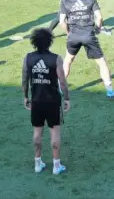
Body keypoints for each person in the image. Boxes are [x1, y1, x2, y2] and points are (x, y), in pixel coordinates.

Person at [59, 0, 114, 98]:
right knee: (102, 63)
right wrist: (98, 29)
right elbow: (100, 18)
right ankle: (110, 91)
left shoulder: (65, 1)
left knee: (67, 60)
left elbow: (61, 21)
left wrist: (68, 33)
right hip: (88, 35)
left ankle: (59, 88)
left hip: (73, 36)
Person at [22, 28, 70, 175]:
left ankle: (38, 163)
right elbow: (62, 81)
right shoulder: (56, 59)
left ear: (34, 42)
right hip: (53, 102)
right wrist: (67, 98)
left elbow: (25, 79)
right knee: (55, 132)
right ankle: (56, 165)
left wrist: (25, 96)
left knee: (37, 132)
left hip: (36, 100)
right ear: (50, 41)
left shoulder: (28, 58)